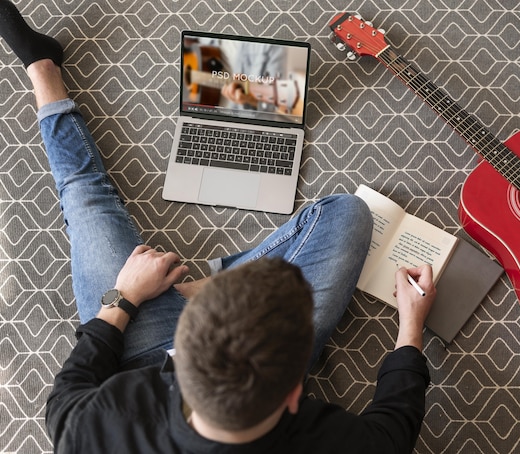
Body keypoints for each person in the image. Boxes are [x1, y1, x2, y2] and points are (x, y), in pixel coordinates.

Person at [0, 1, 434, 452]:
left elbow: (65, 398)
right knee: (347, 212)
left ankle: (41, 66)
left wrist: (124, 297)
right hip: (264, 365)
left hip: (138, 347)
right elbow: (394, 429)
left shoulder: (99, 424)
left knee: (83, 192)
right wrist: (412, 324)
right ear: (294, 396)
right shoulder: (325, 440)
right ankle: (207, 287)